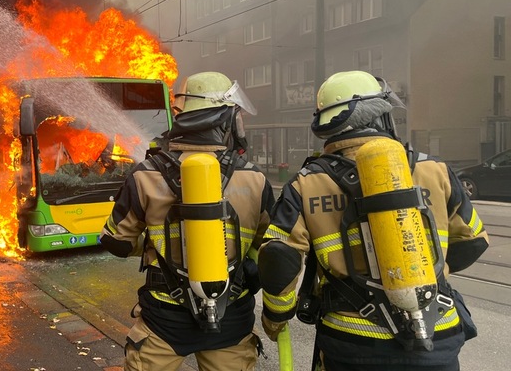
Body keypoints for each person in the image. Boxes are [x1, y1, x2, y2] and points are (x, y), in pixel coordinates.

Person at [258, 70, 490, 370]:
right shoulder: (434, 169)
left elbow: (279, 259)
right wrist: (425, 273)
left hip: (353, 341)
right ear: (380, 115)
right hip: (437, 333)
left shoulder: (307, 183)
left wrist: (275, 318)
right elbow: (474, 241)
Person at [100, 71, 275, 371]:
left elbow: (117, 242)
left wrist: (157, 244)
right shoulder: (255, 179)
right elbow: (272, 249)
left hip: (164, 318)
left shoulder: (145, 174)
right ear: (225, 120)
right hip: (231, 318)